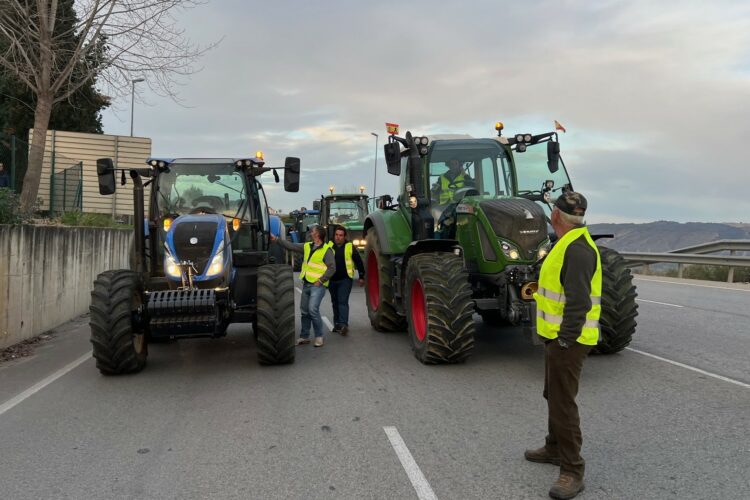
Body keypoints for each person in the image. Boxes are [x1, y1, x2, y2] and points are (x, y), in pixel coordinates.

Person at [527, 191, 601, 500]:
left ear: (555, 215)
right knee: (553, 394)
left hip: (569, 340)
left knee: (563, 403)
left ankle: (573, 470)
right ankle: (554, 447)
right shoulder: (567, 243)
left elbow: (579, 303)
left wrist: (565, 340)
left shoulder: (578, 249)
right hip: (556, 337)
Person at [272, 225, 335, 347]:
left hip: (318, 286)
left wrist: (321, 280)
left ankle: (319, 336)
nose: (311, 233)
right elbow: (291, 246)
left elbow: (332, 268)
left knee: (312, 309)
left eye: (313, 232)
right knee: (305, 311)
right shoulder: (307, 246)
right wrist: (276, 240)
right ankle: (304, 336)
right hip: (306, 284)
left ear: (317, 235)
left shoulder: (326, 250)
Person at [326, 225, 365, 335]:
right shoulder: (328, 246)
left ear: (344, 237)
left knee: (342, 301)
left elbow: (358, 261)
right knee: (335, 302)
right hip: (331, 280)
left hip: (345, 279)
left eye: (341, 235)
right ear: (334, 236)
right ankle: (337, 324)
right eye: (336, 235)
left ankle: (343, 325)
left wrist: (361, 276)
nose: (338, 237)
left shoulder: (349, 246)